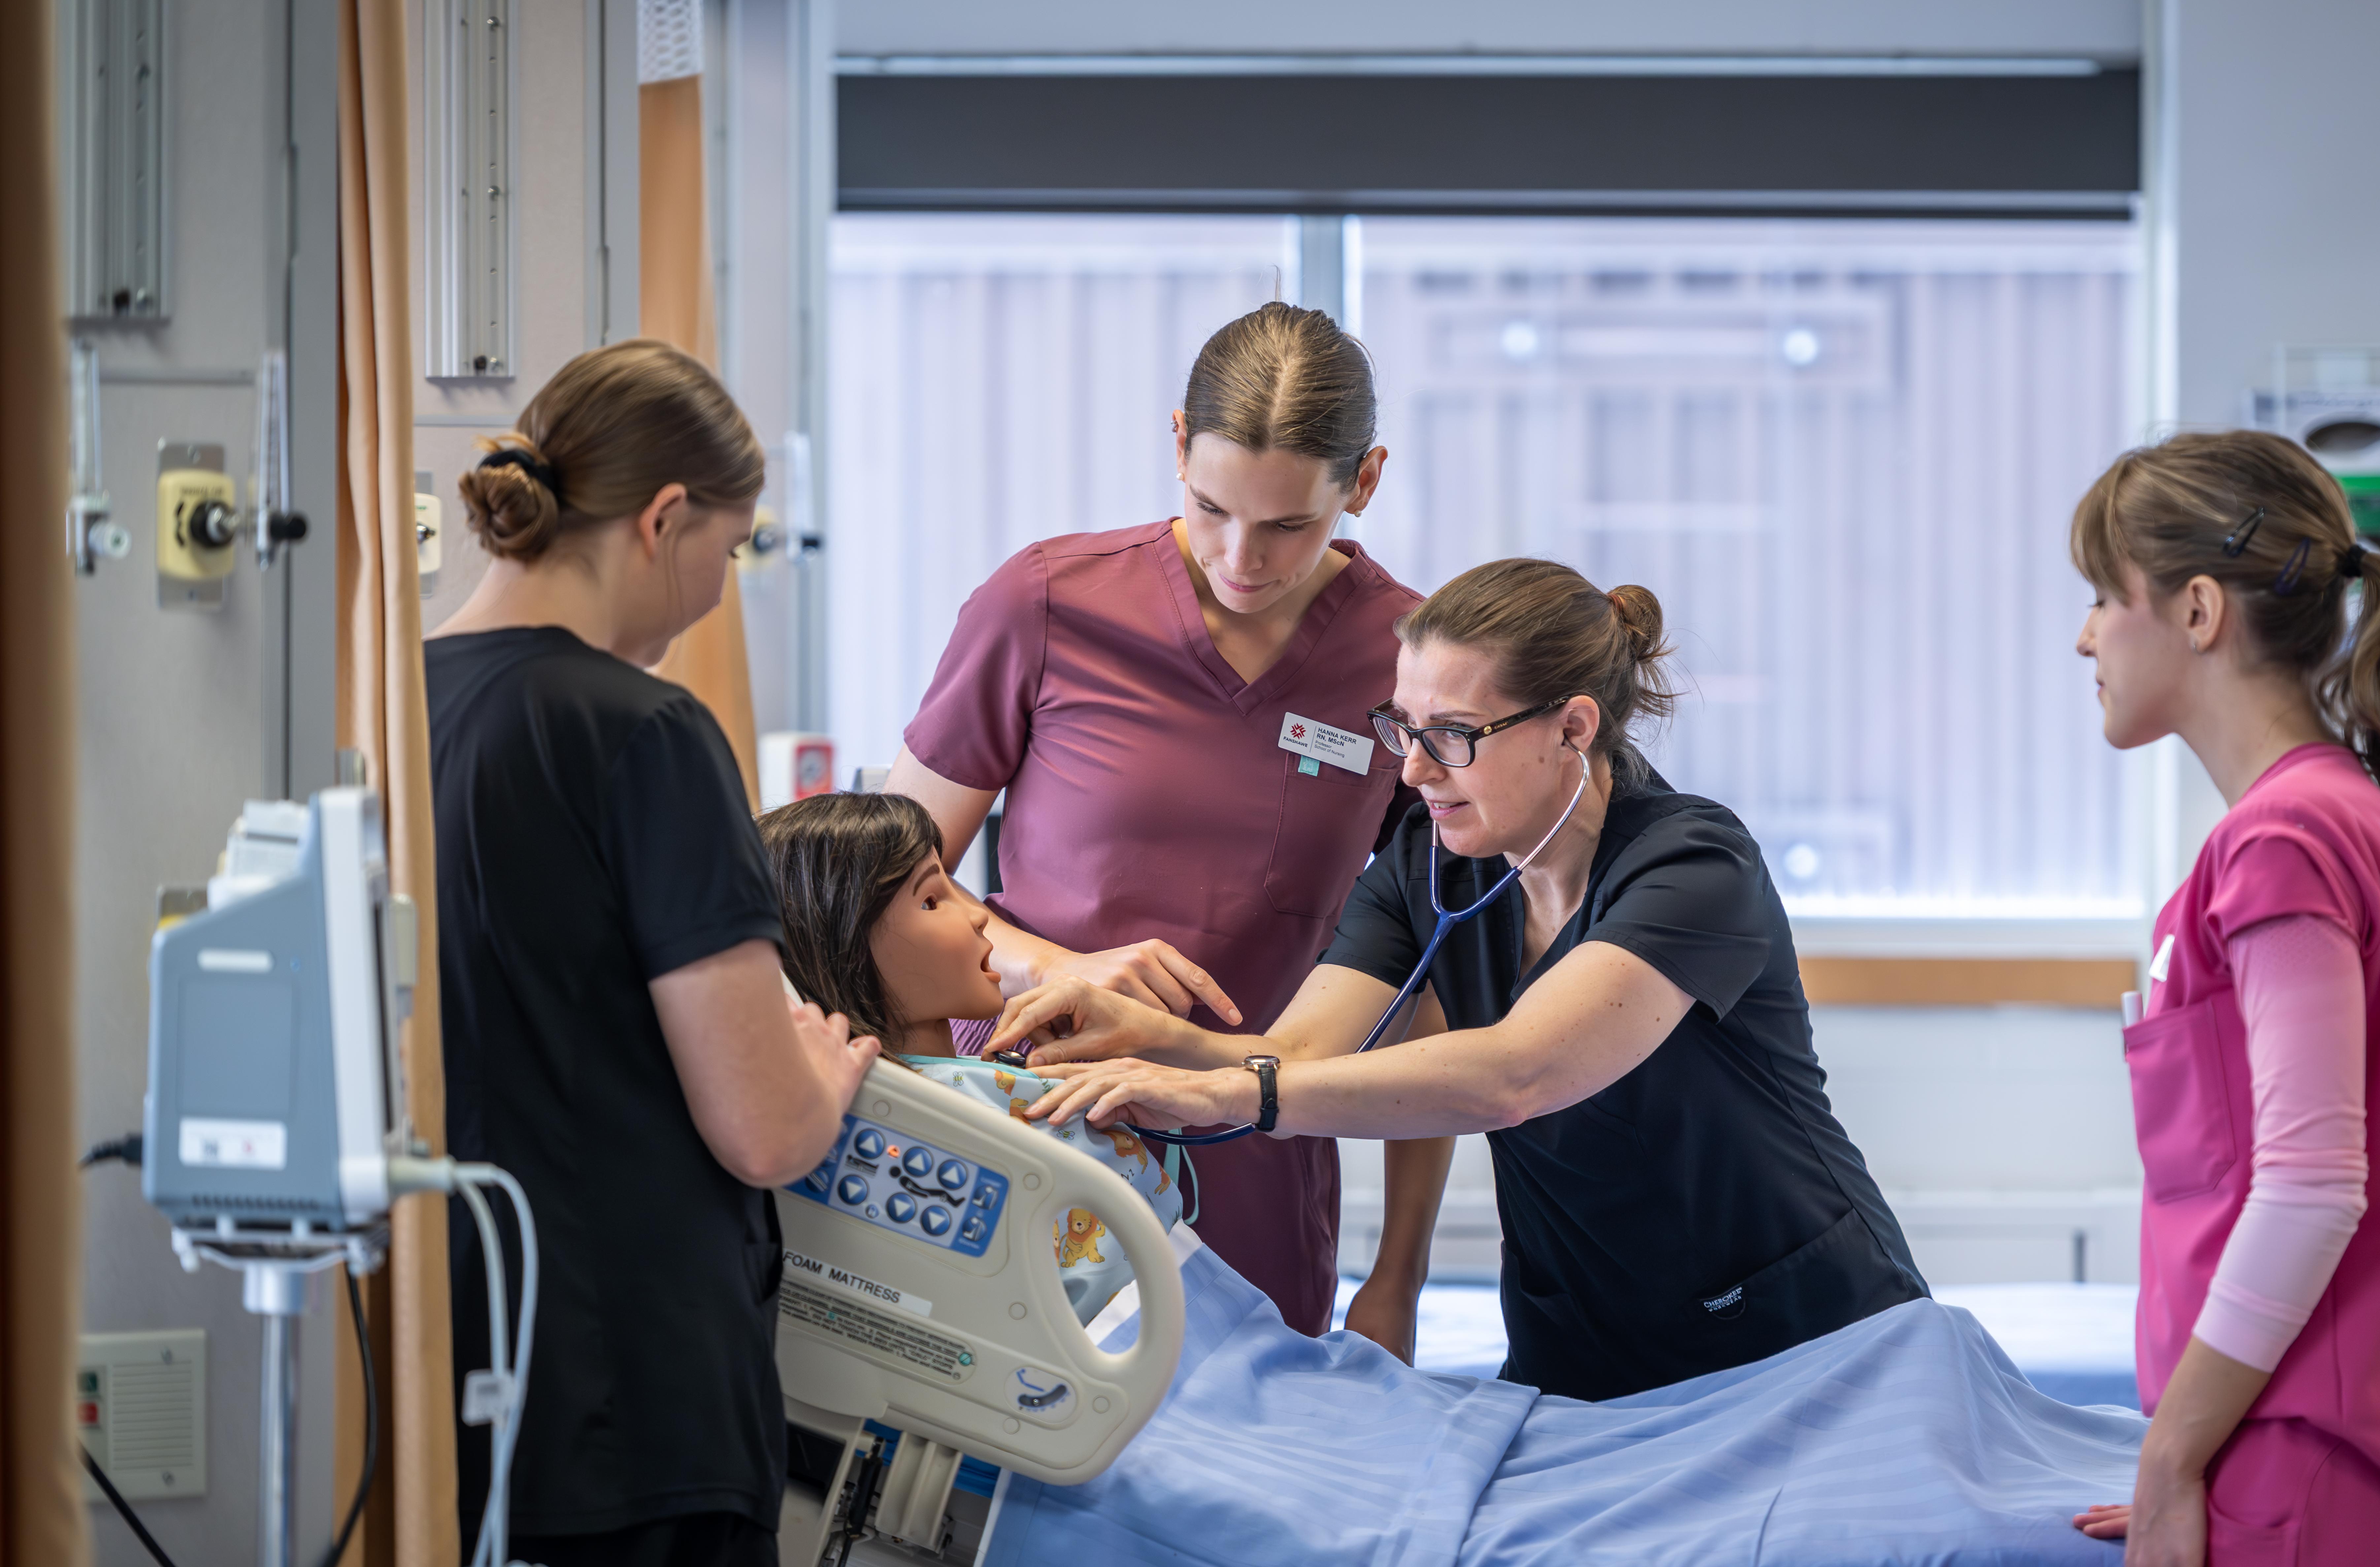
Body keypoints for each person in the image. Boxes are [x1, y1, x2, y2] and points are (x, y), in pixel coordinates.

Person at [985, 559, 1928, 1402]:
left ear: (1572, 727)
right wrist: (1148, 1039)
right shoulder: (1428, 864)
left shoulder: (1692, 866)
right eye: (1402, 725)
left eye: (1452, 734)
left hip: (1801, 1340)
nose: (1411, 768)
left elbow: (1515, 1073)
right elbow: (1298, 1056)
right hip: (1582, 1351)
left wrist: (1214, 1087)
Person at [426, 340, 878, 1567]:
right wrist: (825, 1068)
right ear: (665, 518)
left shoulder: (391, 702)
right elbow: (761, 1129)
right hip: (636, 1383)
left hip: (462, 1362)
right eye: (728, 553)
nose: (714, 593)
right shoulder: (641, 730)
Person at [878, 302, 1429, 1344]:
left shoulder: (1404, 657)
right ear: (1178, 443)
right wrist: (1054, 967)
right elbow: (879, 885)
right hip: (1020, 1117)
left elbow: (1422, 983)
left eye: (1289, 526)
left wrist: (1397, 1273)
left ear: (1363, 482)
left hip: (1256, 1149)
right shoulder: (1044, 603)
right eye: (1211, 505)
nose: (1241, 556)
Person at [2059, 432, 2380, 1567]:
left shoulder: (2283, 842)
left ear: (2196, 610)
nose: (2084, 637)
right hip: (2298, 1447)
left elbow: (2309, 1192)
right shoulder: (2337, 813)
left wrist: (2171, 1458)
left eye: (2101, 596)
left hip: (2314, 1466)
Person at [753, 789, 1179, 1322]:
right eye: (933, 900)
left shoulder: (985, 1087)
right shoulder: (902, 1129)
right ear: (843, 949)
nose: (979, 917)